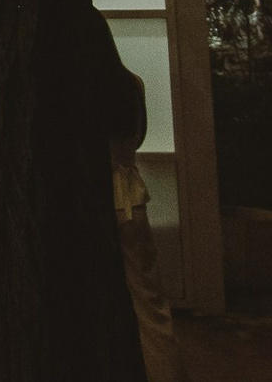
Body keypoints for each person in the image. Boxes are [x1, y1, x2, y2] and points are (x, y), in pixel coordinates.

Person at [108, 60, 189, 382]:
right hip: (130, 198)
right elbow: (138, 139)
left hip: (95, 201)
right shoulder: (133, 83)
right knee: (149, 305)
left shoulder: (75, 87)